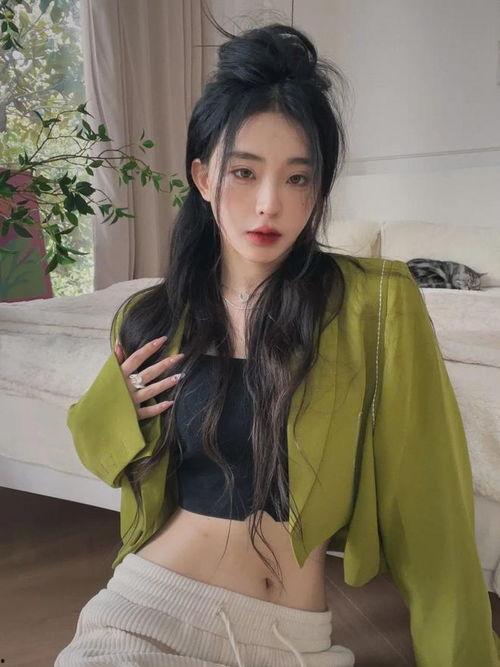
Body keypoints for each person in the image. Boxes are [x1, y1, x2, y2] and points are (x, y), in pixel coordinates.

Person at [54, 17, 500, 667]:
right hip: (148, 609)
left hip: (289, 639)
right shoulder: (152, 315)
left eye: (297, 178)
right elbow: (96, 446)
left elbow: (433, 520)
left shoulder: (376, 308)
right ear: (203, 177)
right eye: (244, 172)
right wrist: (116, 406)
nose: (269, 204)